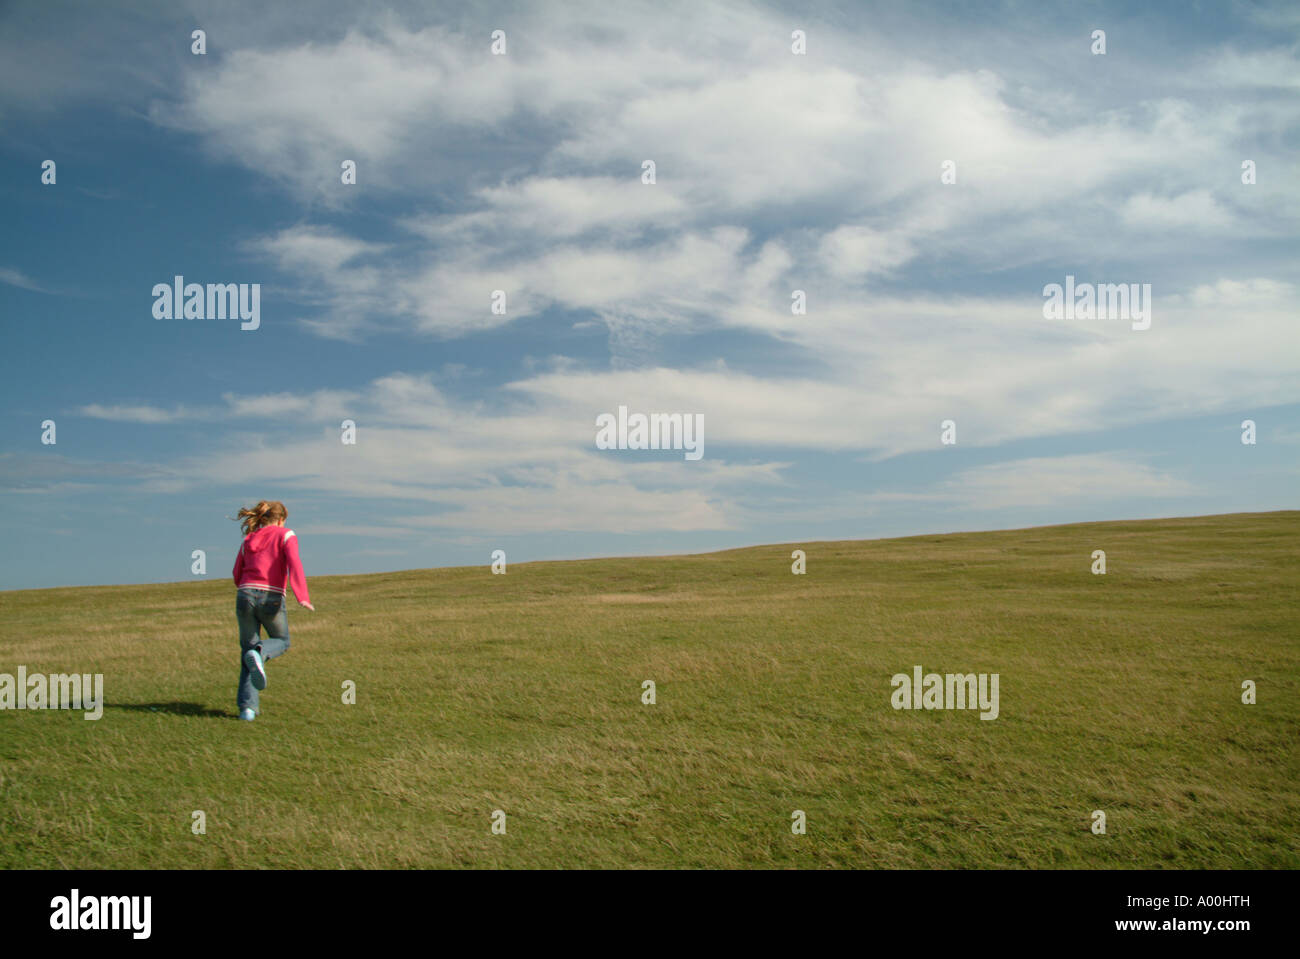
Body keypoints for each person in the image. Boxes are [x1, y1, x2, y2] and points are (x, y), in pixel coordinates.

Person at [231, 500, 314, 720]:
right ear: (281, 519)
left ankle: (247, 710)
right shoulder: (286, 535)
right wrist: (302, 596)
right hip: (271, 596)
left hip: (244, 595)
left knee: (247, 651)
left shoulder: (249, 538)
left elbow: (236, 572)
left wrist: (246, 589)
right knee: (282, 641)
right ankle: (260, 653)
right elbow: (294, 562)